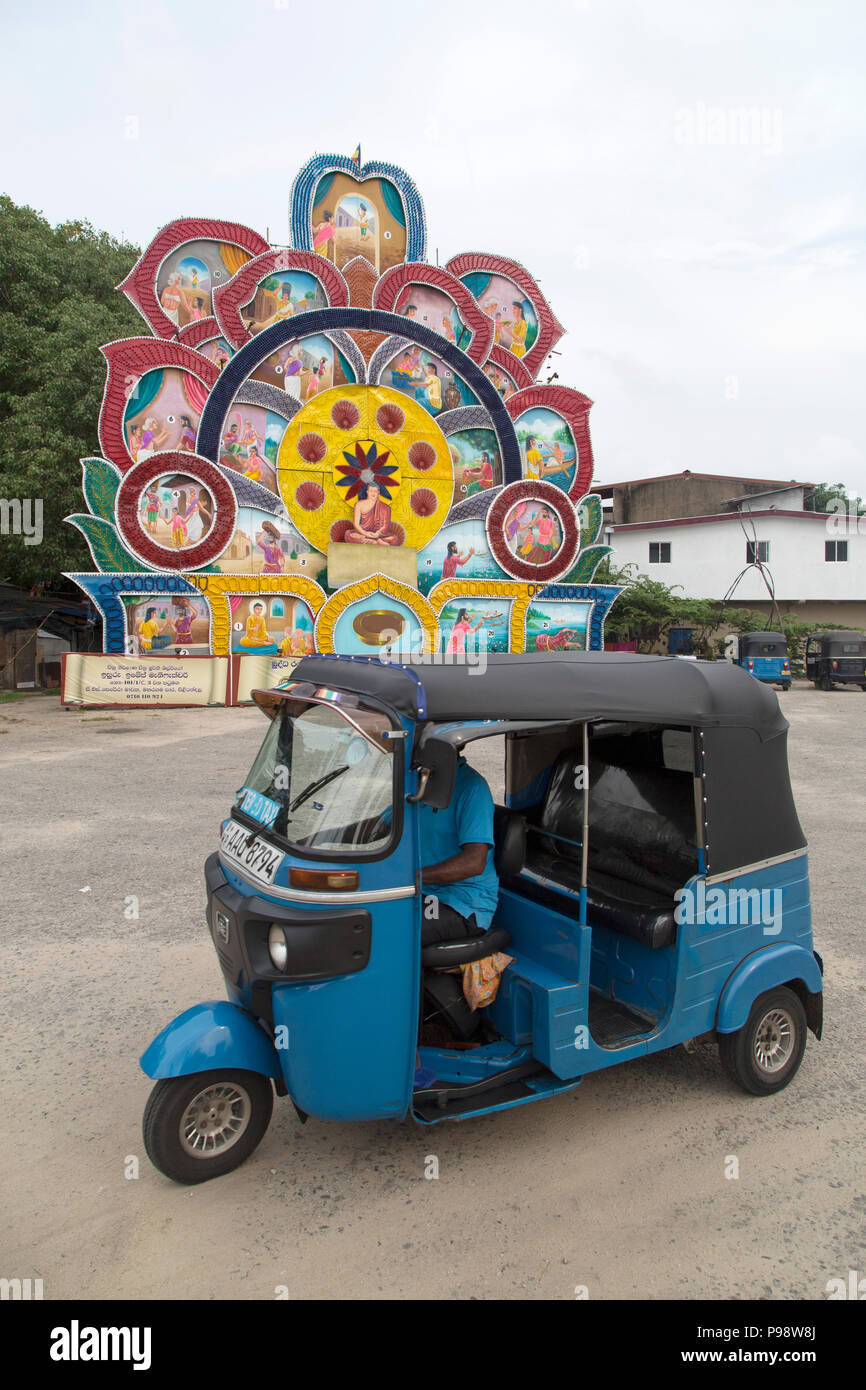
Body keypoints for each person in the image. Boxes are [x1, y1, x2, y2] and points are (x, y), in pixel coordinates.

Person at [419, 756, 499, 945]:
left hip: (459, 903)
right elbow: (383, 824)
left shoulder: (472, 787)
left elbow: (474, 863)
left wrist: (411, 877)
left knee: (390, 930)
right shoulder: (421, 781)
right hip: (422, 892)